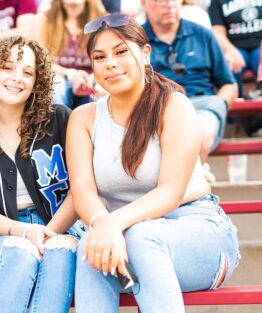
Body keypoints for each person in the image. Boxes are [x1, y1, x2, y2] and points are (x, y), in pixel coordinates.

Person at [67, 14, 240, 313]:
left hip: (196, 233)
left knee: (141, 236)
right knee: (88, 246)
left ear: (145, 54)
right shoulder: (83, 118)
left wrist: (113, 222)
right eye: (100, 56)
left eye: (121, 51)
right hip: (123, 235)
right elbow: (82, 191)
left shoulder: (174, 106)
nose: (110, 63)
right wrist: (101, 224)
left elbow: (171, 191)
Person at [0, 35, 81, 313]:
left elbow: (81, 189)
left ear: (37, 82)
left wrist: (50, 232)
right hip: (2, 236)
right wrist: (26, 232)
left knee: (59, 252)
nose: (16, 77)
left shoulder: (60, 119)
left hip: (62, 225)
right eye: (7, 67)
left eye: (27, 72)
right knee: (22, 254)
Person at [141, 0, 238, 181]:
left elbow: (229, 84)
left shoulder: (203, 35)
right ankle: (196, 172)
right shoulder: (135, 40)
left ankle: (186, 176)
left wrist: (220, 104)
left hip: (203, 103)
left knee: (202, 125)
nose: (169, 4)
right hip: (158, 108)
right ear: (144, 3)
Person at [35, 0, 105, 109]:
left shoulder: (102, 19)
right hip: (61, 77)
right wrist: (71, 74)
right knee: (55, 86)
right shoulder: (46, 18)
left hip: (91, 79)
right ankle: (61, 123)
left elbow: (107, 58)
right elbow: (40, 60)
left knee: (101, 89)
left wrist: (93, 78)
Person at [209, 0, 262, 97]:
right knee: (228, 68)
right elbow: (217, 30)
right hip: (235, 47)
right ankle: (237, 103)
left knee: (258, 58)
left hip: (259, 45)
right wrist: (230, 51)